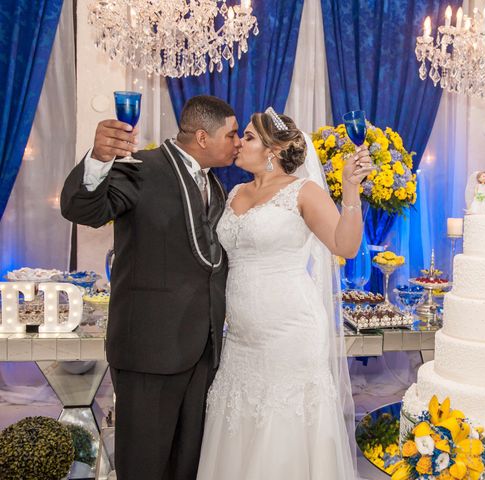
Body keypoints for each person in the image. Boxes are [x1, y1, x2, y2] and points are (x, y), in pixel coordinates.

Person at [61, 95, 240, 480]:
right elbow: (83, 210)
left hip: (204, 347)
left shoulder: (216, 184)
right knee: (144, 462)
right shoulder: (142, 167)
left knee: (186, 461)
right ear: (203, 137)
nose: (238, 142)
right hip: (150, 349)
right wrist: (97, 160)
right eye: (232, 134)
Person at [196, 108, 373, 479]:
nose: (237, 143)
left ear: (272, 149)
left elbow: (346, 245)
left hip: (291, 330)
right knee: (239, 419)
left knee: (282, 427)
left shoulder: (303, 191)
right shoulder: (234, 193)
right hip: (241, 338)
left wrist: (352, 191)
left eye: (247, 137)